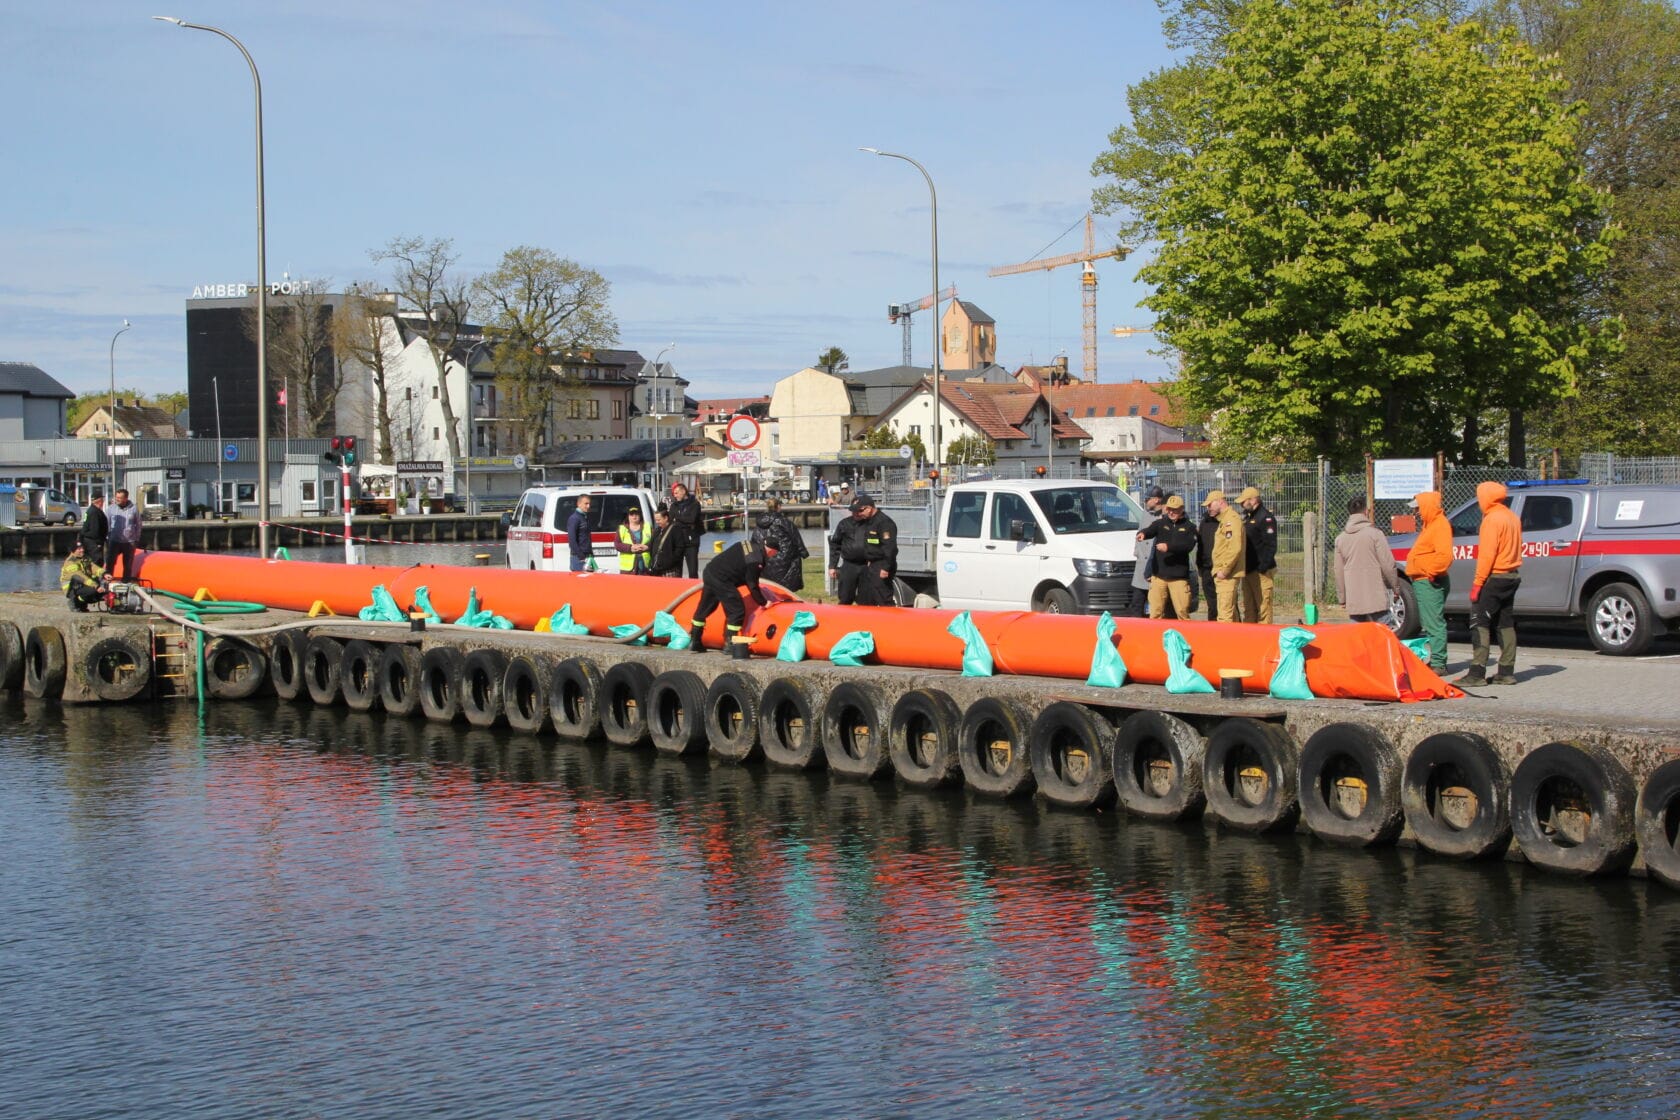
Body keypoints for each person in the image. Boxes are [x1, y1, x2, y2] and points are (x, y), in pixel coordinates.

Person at [1460, 481, 1523, 686]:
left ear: (1486, 497)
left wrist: (1478, 584)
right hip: (1511, 576)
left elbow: (1487, 555)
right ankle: (1506, 671)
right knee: (1505, 623)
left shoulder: (1492, 520)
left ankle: (1476, 673)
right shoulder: (1512, 517)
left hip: (1494, 577)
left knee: (1479, 622)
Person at [688, 523, 777, 658]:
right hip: (722, 579)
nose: (773, 556)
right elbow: (752, 585)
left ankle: (694, 641)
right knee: (737, 610)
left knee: (705, 607)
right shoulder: (756, 560)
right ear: (771, 550)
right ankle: (730, 644)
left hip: (710, 571)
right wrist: (764, 602)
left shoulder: (748, 544)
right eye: (774, 553)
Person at [1404, 491, 1452, 674]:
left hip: (1429, 581)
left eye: (1418, 508)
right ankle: (1437, 661)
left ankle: (1439, 663)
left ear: (1427, 507)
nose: (1416, 512)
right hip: (1424, 580)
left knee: (1433, 623)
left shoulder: (1439, 525)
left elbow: (1445, 555)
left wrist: (1432, 572)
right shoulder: (1430, 525)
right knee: (1430, 621)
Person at [1333, 494, 1400, 623]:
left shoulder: (1340, 539)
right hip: (1376, 595)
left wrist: (1342, 598)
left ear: (1349, 513)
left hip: (1354, 597)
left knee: (1358, 632)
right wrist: (1395, 587)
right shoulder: (1375, 534)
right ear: (1366, 511)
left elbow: (1338, 571)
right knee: (1383, 629)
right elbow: (1388, 564)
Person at [828, 493, 898, 605]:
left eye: (860, 511)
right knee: (845, 596)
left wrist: (885, 567)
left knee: (871, 598)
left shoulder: (877, 522)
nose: (857, 513)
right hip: (850, 565)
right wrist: (832, 566)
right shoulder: (845, 524)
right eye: (854, 511)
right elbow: (835, 545)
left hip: (869, 565)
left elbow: (889, 548)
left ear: (868, 508)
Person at [1140, 495, 1198, 619]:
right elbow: (1150, 530)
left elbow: (1188, 546)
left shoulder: (1190, 527)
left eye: (1174, 510)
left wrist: (1168, 547)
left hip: (1178, 578)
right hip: (1159, 576)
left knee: (1182, 612)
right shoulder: (1161, 523)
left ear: (1181, 509)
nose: (1171, 512)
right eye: (1169, 509)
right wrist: (1143, 534)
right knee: (1155, 612)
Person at [1203, 490, 1247, 622]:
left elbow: (1234, 548)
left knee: (1224, 615)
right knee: (1231, 614)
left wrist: (1225, 570)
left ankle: (1225, 636)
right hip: (1224, 573)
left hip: (1227, 575)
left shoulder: (1231, 520)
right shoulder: (1225, 520)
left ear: (1220, 502)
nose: (1208, 508)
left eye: (1210, 504)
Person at [1239, 486, 1279, 624]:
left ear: (1253, 500)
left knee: (1263, 608)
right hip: (1248, 569)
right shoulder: (1248, 517)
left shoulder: (1265, 518)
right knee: (1249, 607)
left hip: (1261, 571)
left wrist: (1263, 567)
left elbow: (1271, 545)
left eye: (1243, 502)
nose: (1241, 505)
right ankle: (1250, 634)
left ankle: (1265, 634)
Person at [1127, 487, 1166, 617]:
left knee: (1157, 605)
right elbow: (1140, 532)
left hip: (1156, 566)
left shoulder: (1165, 516)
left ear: (1156, 500)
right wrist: (1137, 551)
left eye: (1147, 499)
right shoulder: (1145, 513)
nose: (1145, 502)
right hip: (1141, 565)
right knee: (1137, 602)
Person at [758, 497, 808, 592]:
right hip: (785, 558)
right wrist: (803, 552)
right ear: (778, 507)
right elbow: (795, 537)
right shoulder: (784, 521)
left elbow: (756, 540)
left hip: (767, 557)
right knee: (786, 585)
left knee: (770, 587)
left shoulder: (760, 524)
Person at [60, 540, 107, 612]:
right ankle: (75, 601)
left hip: (82, 585)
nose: (82, 550)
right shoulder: (70, 562)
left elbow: (93, 567)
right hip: (71, 588)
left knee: (103, 591)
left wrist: (104, 574)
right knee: (93, 591)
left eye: (82, 548)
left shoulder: (85, 558)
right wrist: (96, 586)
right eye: (79, 549)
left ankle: (82, 604)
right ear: (73, 551)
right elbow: (80, 576)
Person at [669, 481, 703, 578]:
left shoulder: (695, 504)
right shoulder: (674, 506)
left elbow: (692, 519)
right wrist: (682, 520)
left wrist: (678, 518)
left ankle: (693, 585)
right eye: (674, 494)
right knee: (677, 571)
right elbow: (671, 521)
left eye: (676, 493)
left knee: (692, 571)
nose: (675, 496)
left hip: (691, 542)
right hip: (678, 542)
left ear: (683, 491)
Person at [106, 488, 142, 579]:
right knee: (110, 562)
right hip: (114, 540)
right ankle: (108, 580)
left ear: (126, 498)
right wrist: (108, 538)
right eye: (116, 497)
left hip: (129, 541)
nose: (117, 499)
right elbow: (107, 524)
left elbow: (138, 524)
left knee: (128, 564)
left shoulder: (134, 509)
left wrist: (136, 539)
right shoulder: (111, 509)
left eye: (120, 498)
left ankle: (126, 581)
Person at [1196, 498, 1221, 621]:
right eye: (1207, 506)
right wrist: (1200, 564)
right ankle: (1212, 626)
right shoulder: (1204, 521)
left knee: (1225, 604)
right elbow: (1200, 545)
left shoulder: (1226, 521)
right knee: (1211, 604)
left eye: (1210, 505)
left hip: (1221, 569)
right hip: (1206, 568)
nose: (1208, 508)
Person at [647, 506, 685, 576]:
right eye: (656, 520)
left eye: (659, 520)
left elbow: (680, 548)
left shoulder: (675, 529)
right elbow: (651, 545)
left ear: (666, 518)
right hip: (657, 568)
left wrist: (670, 561)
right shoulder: (657, 530)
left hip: (670, 569)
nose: (657, 522)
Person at [615, 506, 653, 574]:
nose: (634, 516)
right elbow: (617, 545)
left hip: (645, 567)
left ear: (640, 516)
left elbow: (655, 541)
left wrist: (647, 546)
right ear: (628, 516)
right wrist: (630, 548)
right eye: (632, 514)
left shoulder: (647, 526)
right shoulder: (621, 528)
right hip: (628, 570)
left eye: (636, 514)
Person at [566, 495, 593, 572]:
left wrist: (591, 554)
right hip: (578, 558)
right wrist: (581, 556)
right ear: (578, 504)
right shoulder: (574, 518)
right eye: (586, 503)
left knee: (590, 578)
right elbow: (572, 541)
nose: (588, 506)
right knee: (580, 579)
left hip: (587, 556)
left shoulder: (584, 517)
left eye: (589, 504)